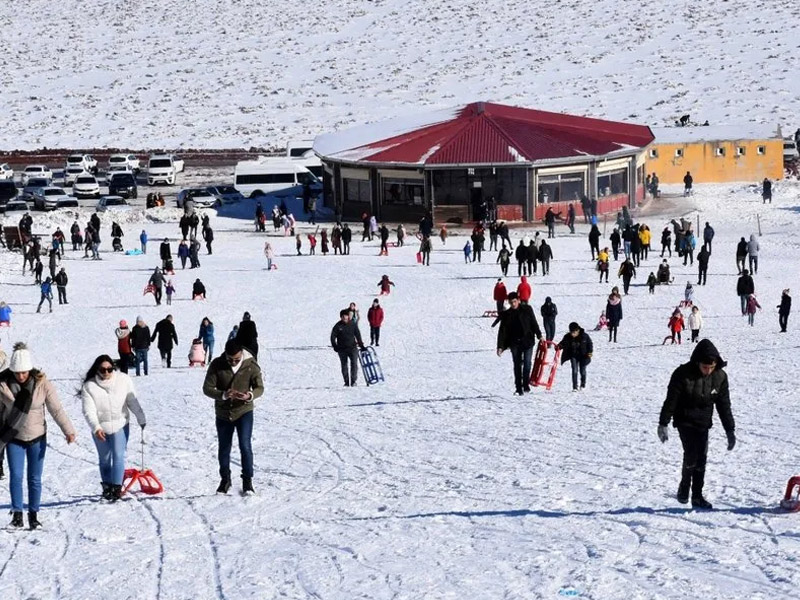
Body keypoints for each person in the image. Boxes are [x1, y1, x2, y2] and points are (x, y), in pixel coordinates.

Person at [0, 343, 77, 528]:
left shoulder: (42, 384)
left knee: (34, 478)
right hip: (13, 437)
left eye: (24, 372)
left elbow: (56, 409)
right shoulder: (3, 385)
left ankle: (33, 514)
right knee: (16, 476)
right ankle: (17, 514)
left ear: (30, 370)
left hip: (37, 437)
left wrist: (68, 430)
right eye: (17, 373)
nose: (21, 376)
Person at [658, 339, 735, 509]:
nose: (708, 371)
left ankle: (697, 496)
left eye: (711, 367)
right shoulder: (682, 374)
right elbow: (671, 400)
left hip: (703, 421)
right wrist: (663, 423)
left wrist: (730, 429)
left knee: (702, 458)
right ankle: (684, 485)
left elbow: (724, 404)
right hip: (684, 419)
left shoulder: (720, 377)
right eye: (704, 367)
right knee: (691, 453)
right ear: (697, 362)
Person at [81, 354, 146, 502]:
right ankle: (107, 488)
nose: (106, 373)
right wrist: (96, 427)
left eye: (109, 369)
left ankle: (117, 488)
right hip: (100, 428)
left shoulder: (123, 380)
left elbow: (132, 401)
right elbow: (88, 410)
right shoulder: (89, 386)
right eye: (103, 370)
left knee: (118, 456)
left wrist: (140, 417)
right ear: (97, 370)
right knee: (104, 459)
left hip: (120, 424)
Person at [203, 339, 264, 495]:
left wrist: (250, 395)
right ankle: (225, 480)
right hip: (223, 413)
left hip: (244, 411)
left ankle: (247, 481)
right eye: (230, 360)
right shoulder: (217, 364)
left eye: (237, 360)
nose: (233, 362)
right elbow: (207, 388)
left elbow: (259, 387)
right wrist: (223, 395)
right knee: (224, 447)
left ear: (241, 355)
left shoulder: (251, 365)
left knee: (245, 445)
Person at [496, 292, 542, 395]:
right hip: (514, 343)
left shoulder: (527, 310)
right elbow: (502, 331)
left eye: (515, 302)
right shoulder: (507, 314)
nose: (513, 304)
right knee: (517, 365)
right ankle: (518, 388)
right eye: (511, 302)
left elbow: (534, 323)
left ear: (519, 300)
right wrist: (500, 346)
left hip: (527, 341)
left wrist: (539, 335)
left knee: (527, 364)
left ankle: (525, 384)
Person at [330, 308, 364, 386]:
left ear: (348, 316)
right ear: (341, 317)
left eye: (346, 316)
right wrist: (335, 346)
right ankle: (346, 382)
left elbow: (357, 335)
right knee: (344, 366)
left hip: (352, 348)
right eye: (343, 317)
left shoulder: (353, 324)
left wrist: (361, 345)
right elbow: (332, 337)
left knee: (354, 364)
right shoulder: (338, 326)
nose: (345, 318)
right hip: (342, 349)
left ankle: (353, 381)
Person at [557, 322, 593, 392]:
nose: (572, 334)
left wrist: (590, 353)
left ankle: (583, 384)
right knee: (574, 370)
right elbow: (563, 343)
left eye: (574, 332)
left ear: (578, 330)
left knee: (582, 371)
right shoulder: (567, 337)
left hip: (583, 356)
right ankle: (575, 387)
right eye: (571, 332)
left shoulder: (585, 336)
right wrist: (559, 346)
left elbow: (590, 344)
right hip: (573, 356)